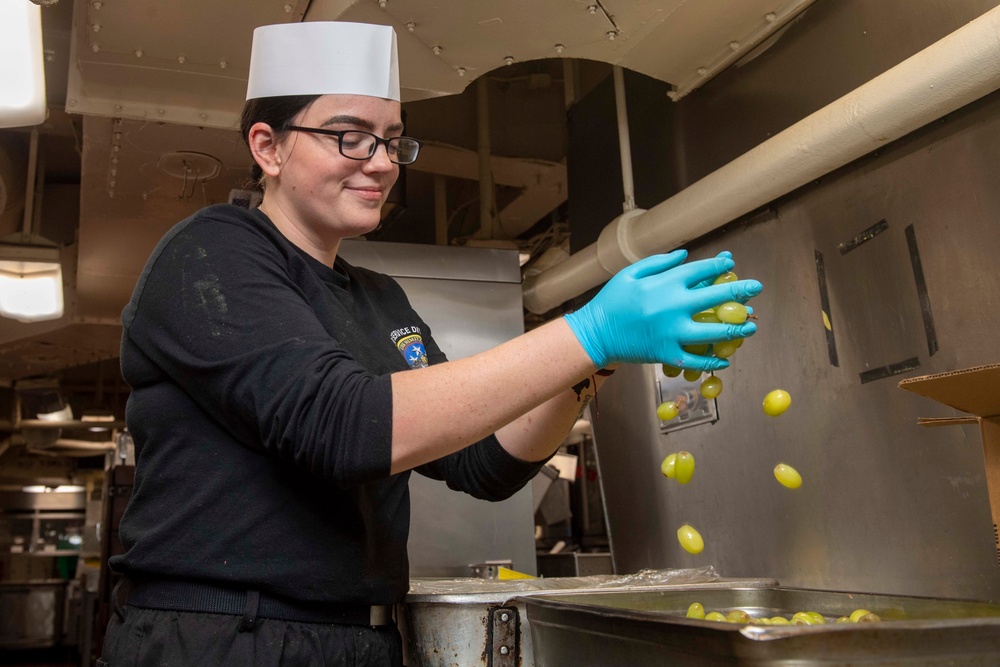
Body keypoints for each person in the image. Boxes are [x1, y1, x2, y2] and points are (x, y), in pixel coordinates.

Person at [97, 20, 762, 667]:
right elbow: (343, 426)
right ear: (268, 147)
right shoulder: (210, 254)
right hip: (224, 639)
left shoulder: (379, 298)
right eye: (351, 138)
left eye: (392, 141)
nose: (382, 164)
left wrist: (591, 365)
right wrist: (586, 330)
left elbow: (484, 463)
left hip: (363, 639)